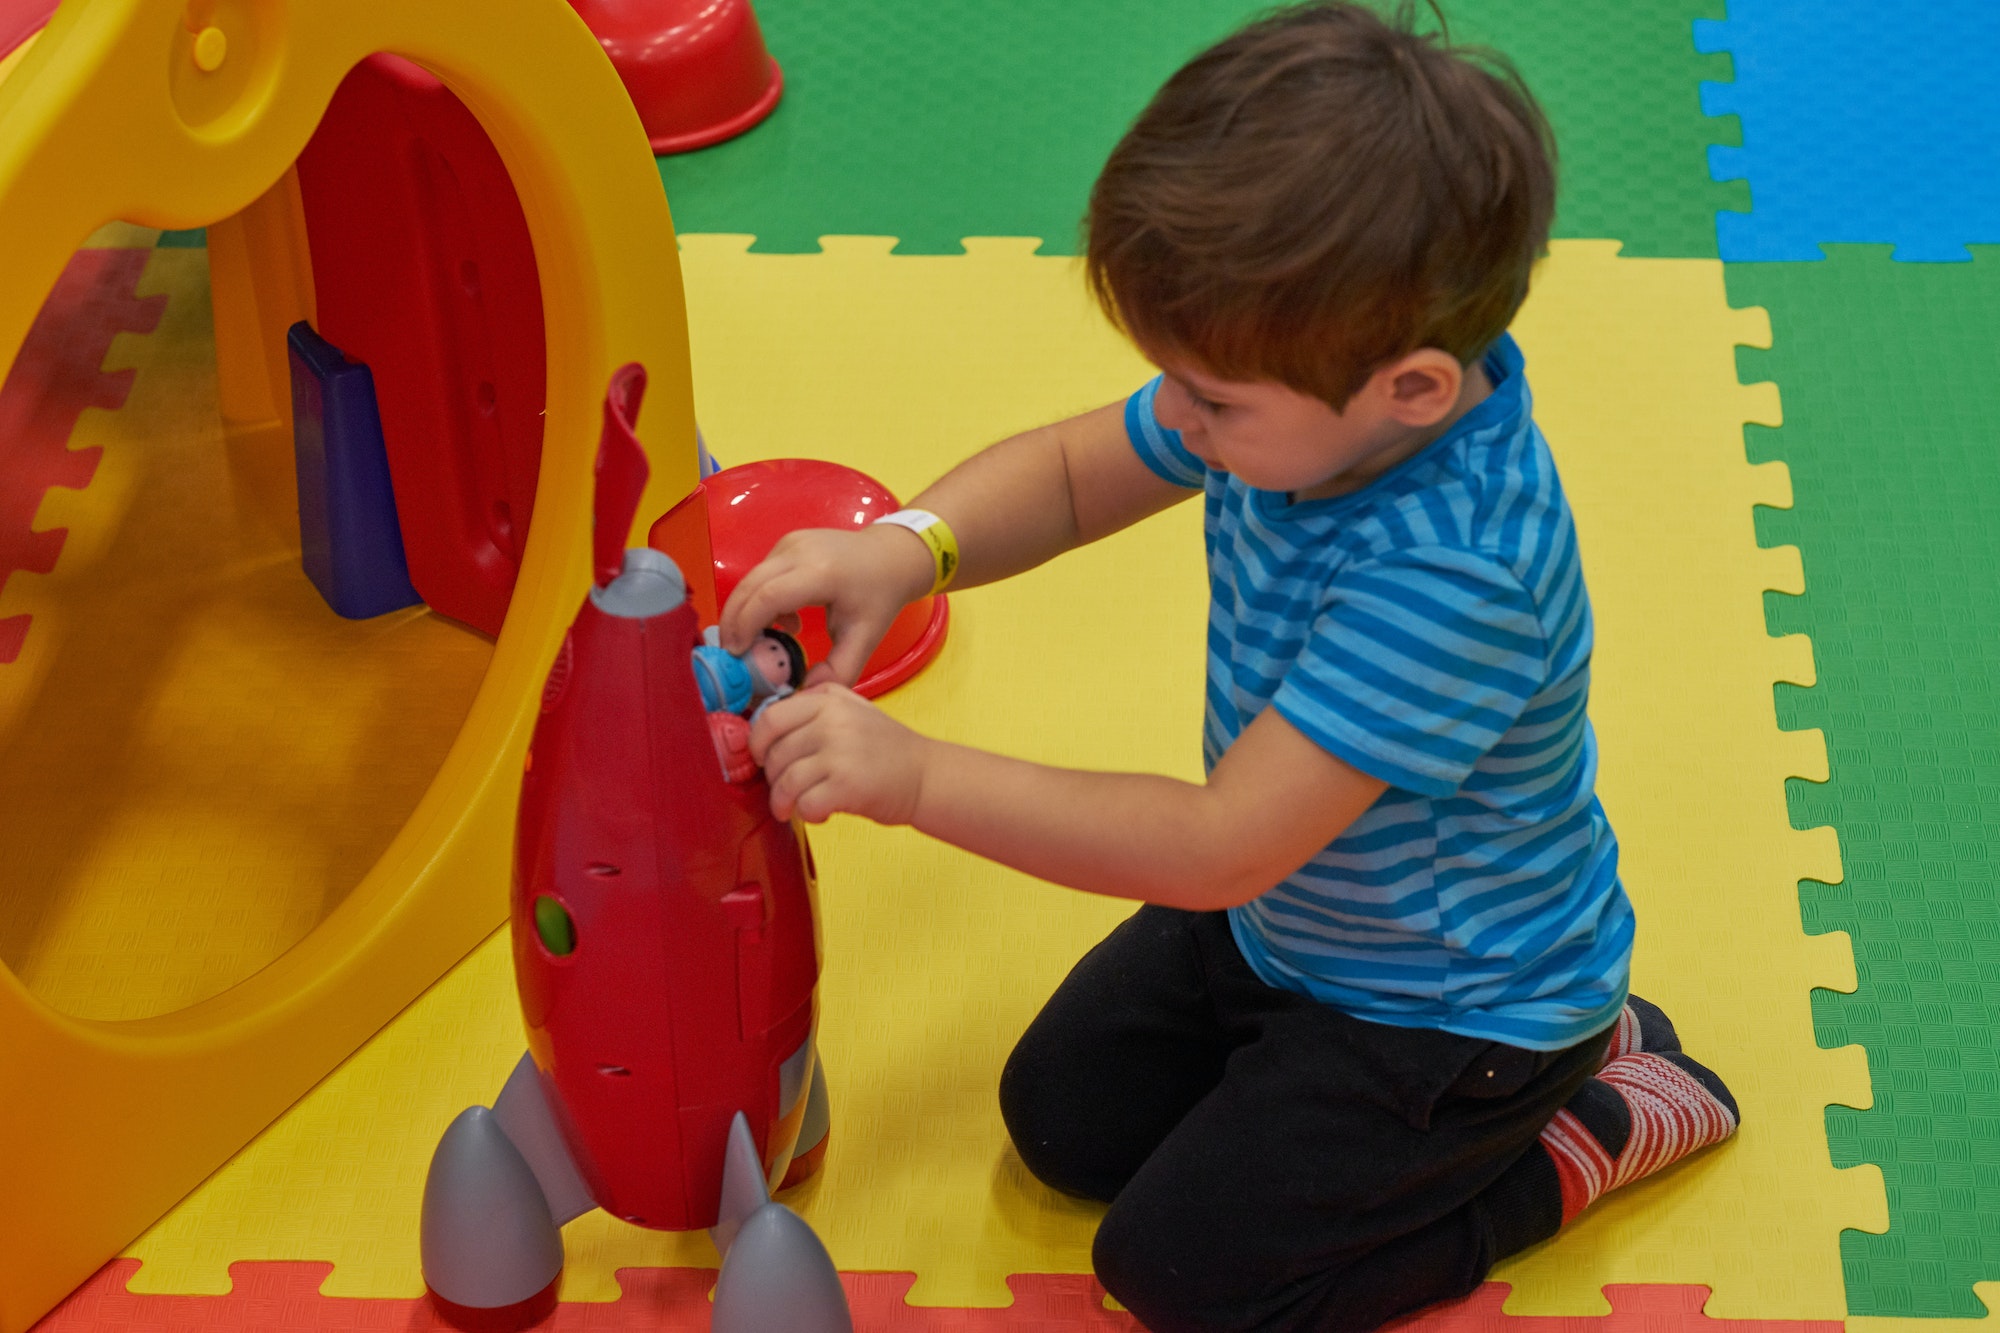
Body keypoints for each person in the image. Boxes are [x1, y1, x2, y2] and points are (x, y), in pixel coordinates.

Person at [715, 4, 1739, 1328]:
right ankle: (1552, 1067)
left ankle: (1575, 1124)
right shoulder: (1300, 388)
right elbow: (1082, 473)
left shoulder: (1450, 575)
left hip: (1444, 1013)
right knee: (1062, 1122)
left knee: (1178, 1276)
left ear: (1414, 390)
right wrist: (913, 548)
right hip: (1297, 920)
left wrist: (913, 776)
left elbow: (1214, 845)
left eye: (1209, 403)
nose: (1177, 418)